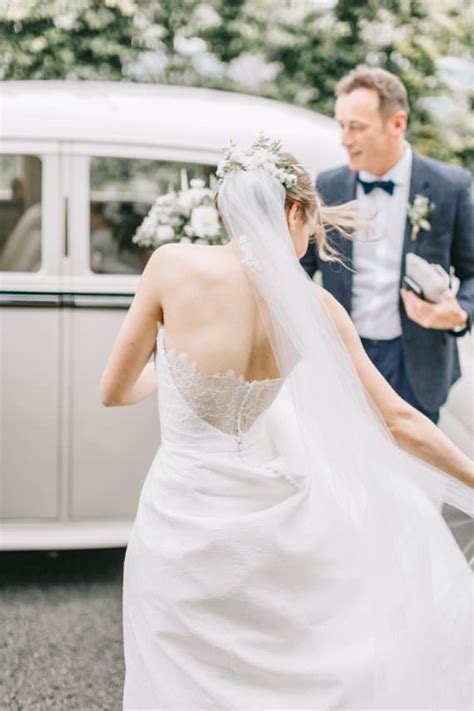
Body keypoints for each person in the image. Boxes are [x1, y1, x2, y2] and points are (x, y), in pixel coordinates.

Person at [101, 138, 473, 710]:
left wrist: (170, 376)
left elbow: (115, 391)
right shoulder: (316, 309)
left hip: (180, 522)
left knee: (179, 677)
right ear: (295, 212)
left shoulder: (171, 265)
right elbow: (400, 421)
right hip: (275, 519)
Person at [301, 65, 474, 424]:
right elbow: (302, 266)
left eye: (357, 127)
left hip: (417, 365)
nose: (345, 139)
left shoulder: (450, 187)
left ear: (397, 124)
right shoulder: (328, 185)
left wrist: (460, 313)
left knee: (416, 476)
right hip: (345, 359)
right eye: (342, 126)